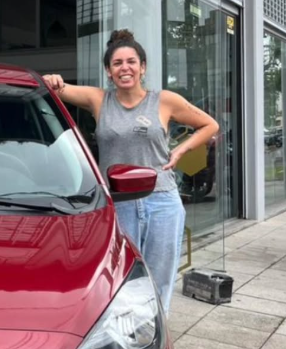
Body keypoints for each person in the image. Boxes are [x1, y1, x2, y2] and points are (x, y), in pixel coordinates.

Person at [43, 29, 219, 313]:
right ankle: (122, 334)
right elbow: (58, 89)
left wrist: (181, 150)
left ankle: (152, 336)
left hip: (162, 201)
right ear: (108, 72)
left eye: (131, 62)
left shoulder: (164, 101)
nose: (125, 68)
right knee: (120, 276)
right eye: (117, 63)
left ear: (143, 67)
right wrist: (53, 80)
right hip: (118, 205)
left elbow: (210, 125)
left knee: (159, 278)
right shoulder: (99, 100)